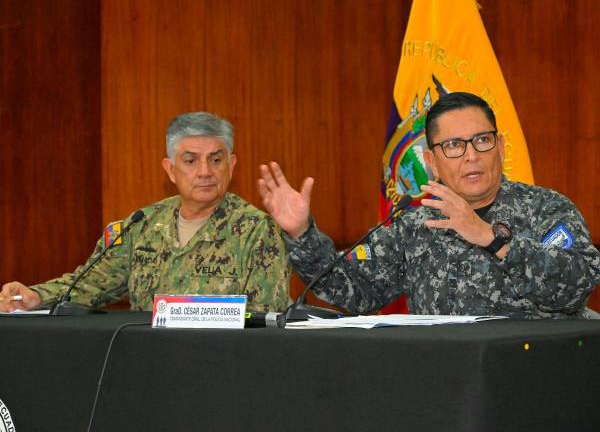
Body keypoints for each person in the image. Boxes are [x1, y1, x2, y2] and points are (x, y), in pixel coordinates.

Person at [258, 92, 600, 319]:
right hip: (443, 382)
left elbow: (576, 286)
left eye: (482, 140)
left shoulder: (546, 208)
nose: (470, 155)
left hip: (532, 379)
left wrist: (492, 238)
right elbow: (353, 290)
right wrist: (303, 233)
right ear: (431, 162)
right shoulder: (415, 224)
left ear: (501, 148)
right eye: (453, 145)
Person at [0, 112, 290, 313]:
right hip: (146, 369)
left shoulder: (258, 230)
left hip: (221, 370)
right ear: (170, 169)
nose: (205, 171)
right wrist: (36, 296)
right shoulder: (140, 226)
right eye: (191, 160)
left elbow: (264, 318)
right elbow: (89, 284)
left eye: (216, 159)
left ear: (232, 165)